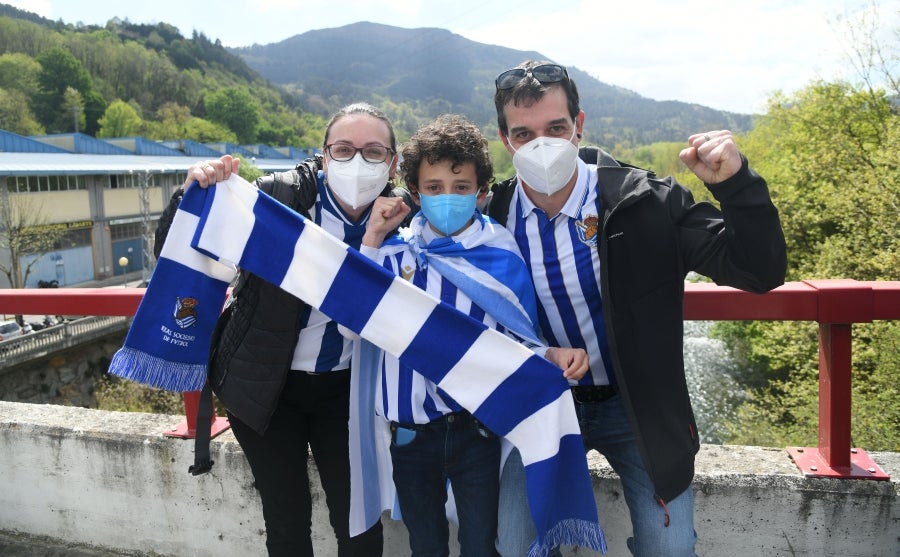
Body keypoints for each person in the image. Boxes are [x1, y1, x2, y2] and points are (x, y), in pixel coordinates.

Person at [486, 60, 787, 556]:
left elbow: (758, 272)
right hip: (541, 405)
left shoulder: (647, 202)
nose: (541, 145)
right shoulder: (492, 217)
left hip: (639, 409)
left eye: (556, 128)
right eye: (524, 133)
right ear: (505, 139)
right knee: (516, 546)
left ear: (579, 127)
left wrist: (736, 186)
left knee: (669, 549)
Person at [155, 103, 415, 557]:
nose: (358, 162)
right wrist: (191, 192)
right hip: (265, 387)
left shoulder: (403, 220)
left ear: (393, 162)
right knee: (286, 517)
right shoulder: (277, 200)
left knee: (359, 519)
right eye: (344, 149)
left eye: (374, 152)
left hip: (349, 394)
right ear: (324, 154)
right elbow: (178, 248)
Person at [359, 114, 590, 556]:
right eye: (434, 188)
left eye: (461, 188)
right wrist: (371, 235)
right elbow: (355, 314)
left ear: (482, 194)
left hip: (477, 433)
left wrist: (551, 355)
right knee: (425, 545)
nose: (448, 198)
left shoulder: (499, 251)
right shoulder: (392, 253)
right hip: (410, 434)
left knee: (481, 544)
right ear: (415, 192)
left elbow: (518, 337)